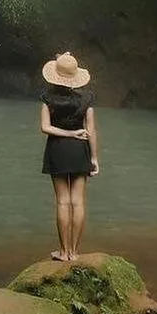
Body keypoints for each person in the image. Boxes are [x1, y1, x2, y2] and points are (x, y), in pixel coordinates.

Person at [39, 51, 99, 261]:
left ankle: (63, 252)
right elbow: (91, 129)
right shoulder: (87, 98)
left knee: (63, 202)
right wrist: (94, 158)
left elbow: (45, 127)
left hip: (57, 149)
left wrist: (67, 133)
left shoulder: (47, 97)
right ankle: (74, 252)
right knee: (78, 202)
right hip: (80, 150)